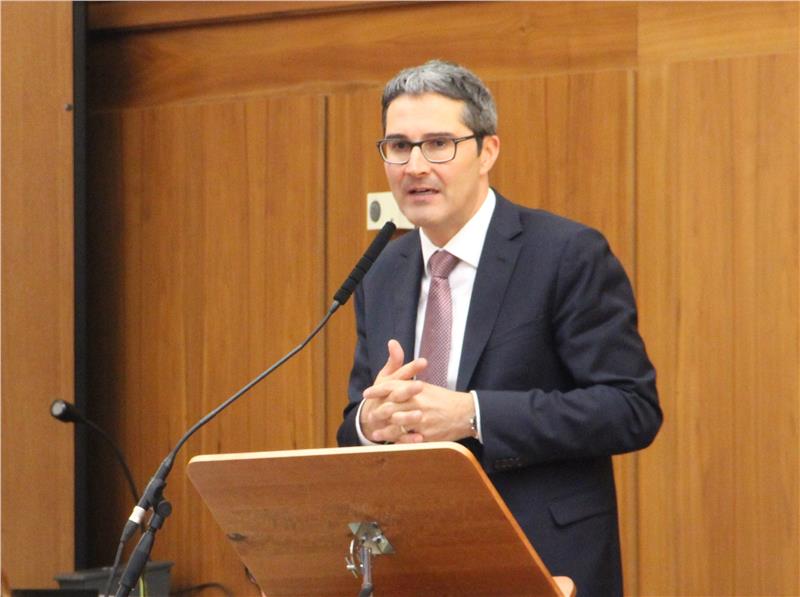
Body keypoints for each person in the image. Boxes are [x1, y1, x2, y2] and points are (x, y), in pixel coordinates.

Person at [336, 60, 662, 596]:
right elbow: (355, 422)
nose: (415, 166)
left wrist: (472, 414)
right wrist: (370, 423)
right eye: (398, 146)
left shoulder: (564, 254)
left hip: (544, 557)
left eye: (438, 144)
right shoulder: (382, 271)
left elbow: (630, 409)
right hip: (416, 560)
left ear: (487, 151)